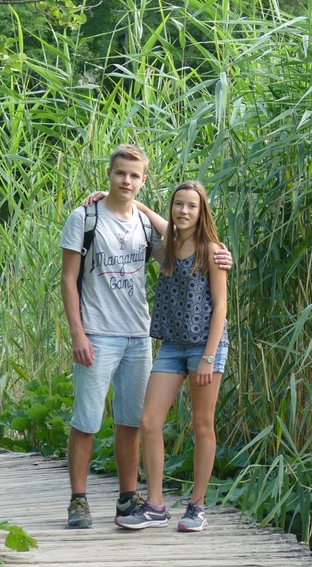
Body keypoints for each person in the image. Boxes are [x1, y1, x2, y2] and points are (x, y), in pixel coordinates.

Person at [60, 146, 231, 529]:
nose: (126, 180)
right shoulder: (87, 218)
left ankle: (149, 500)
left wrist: (223, 254)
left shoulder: (160, 231)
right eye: (120, 173)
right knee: (99, 419)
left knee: (143, 422)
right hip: (107, 335)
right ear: (109, 174)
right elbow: (68, 278)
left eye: (134, 176)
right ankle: (88, 501)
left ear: (143, 181)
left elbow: (189, 247)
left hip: (147, 337)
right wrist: (77, 332)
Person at [114, 180, 228, 532]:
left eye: (191, 206)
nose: (184, 211)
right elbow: (156, 220)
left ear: (202, 211)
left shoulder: (212, 251)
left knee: (202, 424)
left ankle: (197, 506)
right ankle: (156, 506)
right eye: (179, 204)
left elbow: (221, 306)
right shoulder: (168, 246)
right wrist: (121, 200)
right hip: (172, 347)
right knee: (149, 421)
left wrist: (209, 357)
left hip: (204, 347)